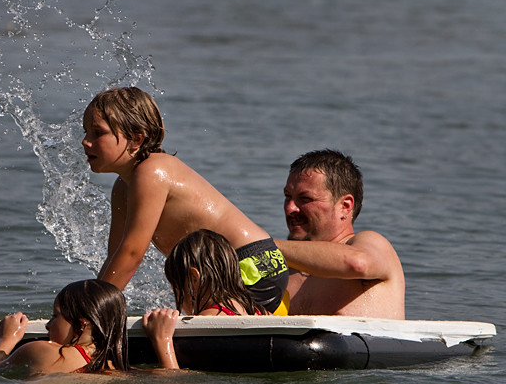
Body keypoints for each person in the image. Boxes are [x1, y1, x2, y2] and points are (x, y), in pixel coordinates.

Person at [82, 86, 288, 314]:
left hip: (251, 265)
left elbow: (132, 254)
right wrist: (88, 303)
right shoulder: (123, 187)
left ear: (136, 139)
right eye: (85, 132)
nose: (85, 141)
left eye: (97, 133)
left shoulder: (151, 171)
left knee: (207, 320)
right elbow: (116, 257)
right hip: (229, 269)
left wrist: (92, 314)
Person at [275, 149, 405, 319]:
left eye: (305, 199)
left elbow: (357, 263)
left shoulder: (369, 244)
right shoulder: (281, 274)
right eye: (287, 196)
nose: (290, 208)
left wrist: (264, 246)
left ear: (345, 205)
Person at [142, 230, 267, 369]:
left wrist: (162, 339)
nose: (175, 293)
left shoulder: (205, 322)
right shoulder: (259, 311)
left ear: (194, 278)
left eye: (175, 286)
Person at [0, 280, 129, 376]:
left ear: (82, 324)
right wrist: (154, 339)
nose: (48, 325)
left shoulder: (42, 350)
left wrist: (7, 339)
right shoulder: (114, 369)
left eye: (55, 316)